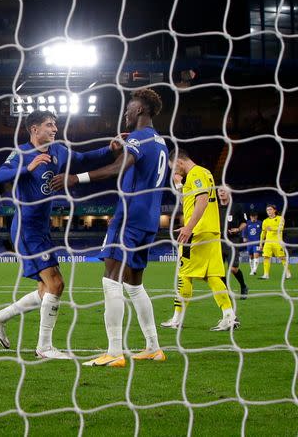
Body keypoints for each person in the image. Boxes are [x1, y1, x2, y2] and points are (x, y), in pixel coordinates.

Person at [0, 109, 119, 360]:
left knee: (45, 289)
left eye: (55, 125)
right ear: (34, 129)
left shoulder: (58, 151)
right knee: (56, 284)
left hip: (41, 228)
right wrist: (28, 167)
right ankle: (44, 348)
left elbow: (84, 158)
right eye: (49, 125)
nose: (55, 129)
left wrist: (110, 149)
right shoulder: (22, 153)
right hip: (26, 228)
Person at [52, 88, 169, 367]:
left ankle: (114, 352)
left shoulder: (140, 138)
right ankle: (154, 347)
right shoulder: (160, 141)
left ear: (140, 110)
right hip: (149, 219)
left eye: (130, 107)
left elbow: (118, 168)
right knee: (134, 284)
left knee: (110, 279)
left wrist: (75, 179)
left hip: (128, 216)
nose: (126, 112)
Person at [159, 149, 239, 332]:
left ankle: (177, 319)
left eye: (174, 169)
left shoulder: (196, 173)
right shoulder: (204, 174)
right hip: (210, 231)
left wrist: (188, 228)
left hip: (198, 233)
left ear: (179, 162)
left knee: (184, 273)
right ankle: (229, 316)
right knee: (213, 276)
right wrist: (179, 186)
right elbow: (189, 202)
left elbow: (202, 200)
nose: (174, 173)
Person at [259, 204, 291, 280]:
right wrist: (261, 244)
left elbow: (281, 228)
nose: (268, 211)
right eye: (267, 210)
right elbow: (263, 233)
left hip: (278, 242)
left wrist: (272, 228)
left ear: (274, 210)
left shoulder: (280, 218)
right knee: (266, 257)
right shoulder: (265, 221)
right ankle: (266, 274)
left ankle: (288, 273)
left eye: (270, 209)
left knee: (282, 257)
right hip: (268, 242)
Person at [245, 211, 262, 275]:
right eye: (252, 216)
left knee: (256, 255)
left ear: (256, 216)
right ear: (250, 217)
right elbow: (245, 230)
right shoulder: (247, 223)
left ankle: (254, 270)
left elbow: (263, 232)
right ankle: (252, 269)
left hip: (257, 242)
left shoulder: (260, 223)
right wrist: (244, 237)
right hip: (249, 242)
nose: (253, 217)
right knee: (251, 256)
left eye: (254, 216)